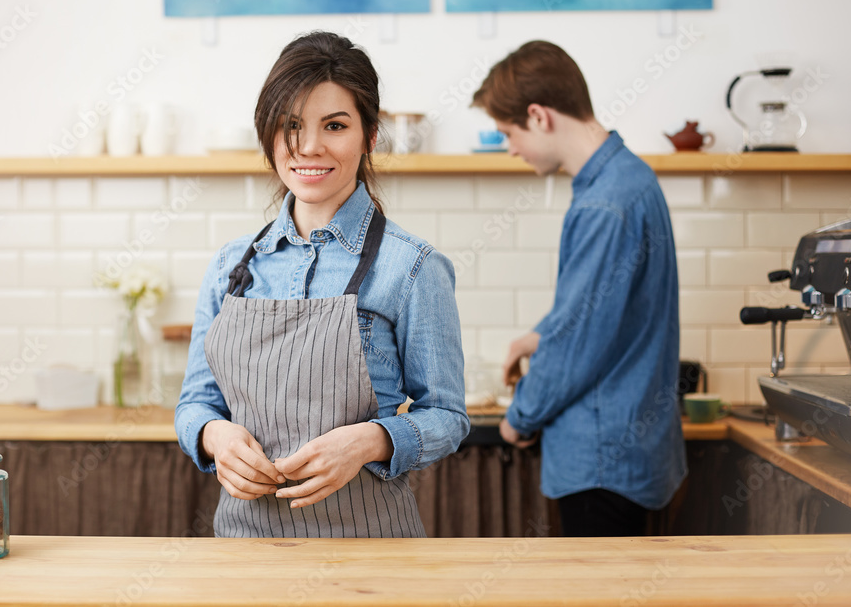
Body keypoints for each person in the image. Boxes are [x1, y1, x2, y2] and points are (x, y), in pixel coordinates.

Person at [175, 31, 469, 538]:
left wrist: (371, 441)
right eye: (291, 125)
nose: (309, 146)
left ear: (369, 136)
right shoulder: (231, 265)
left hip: (371, 552)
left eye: (335, 125)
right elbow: (196, 403)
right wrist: (213, 436)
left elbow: (447, 416)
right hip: (243, 552)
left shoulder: (415, 267)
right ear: (268, 136)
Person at [472, 41, 686, 537]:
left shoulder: (602, 206)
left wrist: (518, 418)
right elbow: (605, 311)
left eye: (508, 133)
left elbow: (576, 347)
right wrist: (539, 335)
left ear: (538, 116)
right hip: (630, 451)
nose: (510, 148)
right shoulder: (628, 179)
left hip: (601, 460)